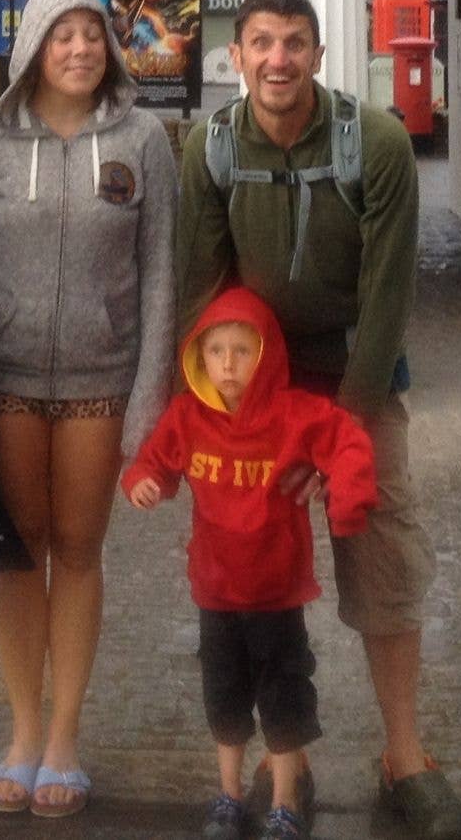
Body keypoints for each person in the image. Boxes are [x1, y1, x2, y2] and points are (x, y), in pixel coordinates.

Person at [175, 0, 461, 840]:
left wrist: (336, 436)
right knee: (254, 574)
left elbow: (387, 299)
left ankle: (404, 755)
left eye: (295, 42)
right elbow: (199, 283)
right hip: (250, 387)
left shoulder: (374, 142)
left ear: (319, 52)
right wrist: (203, 413)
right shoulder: (212, 147)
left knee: (384, 557)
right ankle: (286, 768)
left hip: (356, 372)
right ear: (237, 57)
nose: (278, 59)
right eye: (261, 42)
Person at [0, 0, 177, 817]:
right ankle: (21, 732)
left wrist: (151, 399)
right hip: (4, 378)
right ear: (33, 46)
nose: (78, 49)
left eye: (91, 33)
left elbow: (161, 276)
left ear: (109, 45)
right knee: (19, 549)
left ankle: (66, 738)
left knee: (78, 548)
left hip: (99, 378)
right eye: (60, 33)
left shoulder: (144, 139)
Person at [123, 286, 379, 840]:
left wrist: (349, 500)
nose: (229, 364)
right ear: (200, 357)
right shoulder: (188, 415)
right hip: (214, 592)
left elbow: (349, 441)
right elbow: (155, 460)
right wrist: (143, 481)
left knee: (284, 699)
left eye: (243, 350)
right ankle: (228, 794)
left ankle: (286, 799)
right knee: (224, 698)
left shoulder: (292, 413)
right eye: (217, 351)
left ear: (266, 356)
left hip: (278, 594)